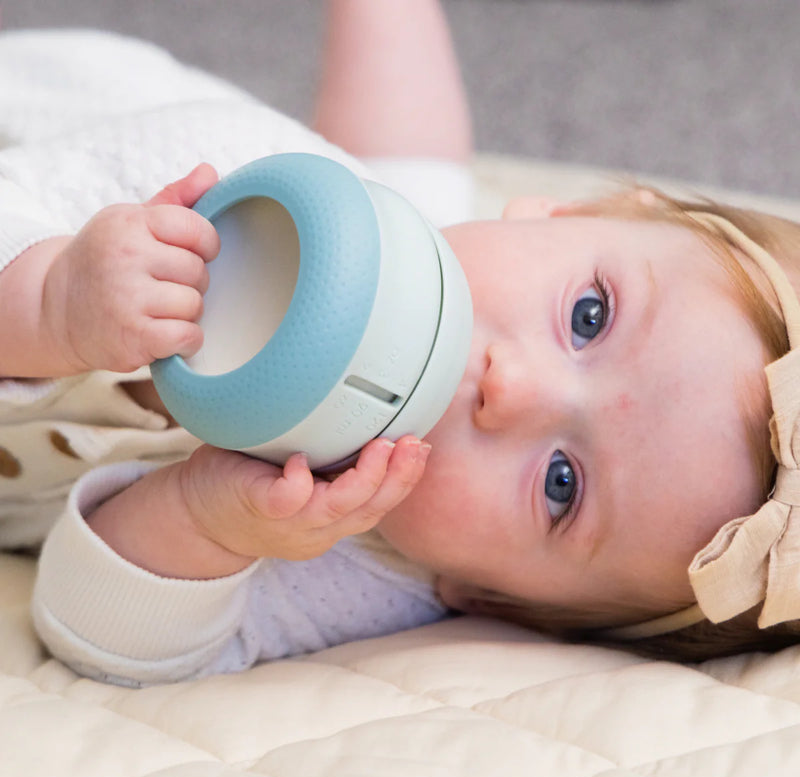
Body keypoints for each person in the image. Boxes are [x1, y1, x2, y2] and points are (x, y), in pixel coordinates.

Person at [2, 6, 800, 686]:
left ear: (486, 598)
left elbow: (98, 638)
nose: (511, 387)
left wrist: (204, 523)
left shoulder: (363, 559)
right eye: (589, 317)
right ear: (568, 215)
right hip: (36, 124)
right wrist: (50, 303)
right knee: (413, 189)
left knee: (420, 192)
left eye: (562, 484)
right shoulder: (234, 198)